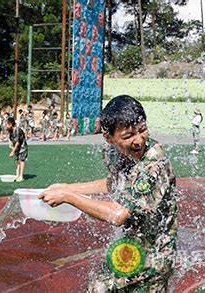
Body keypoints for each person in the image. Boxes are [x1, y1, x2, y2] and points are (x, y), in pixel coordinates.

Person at [39, 95, 177, 292]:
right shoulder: (114, 152)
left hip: (153, 254)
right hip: (131, 245)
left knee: (99, 288)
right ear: (109, 137)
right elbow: (114, 183)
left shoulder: (154, 164)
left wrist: (68, 197)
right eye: (128, 136)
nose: (138, 140)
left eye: (142, 130)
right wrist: (67, 187)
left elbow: (118, 214)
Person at [6, 117, 28, 182]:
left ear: (11, 124)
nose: (6, 125)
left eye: (7, 124)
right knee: (17, 161)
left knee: (21, 161)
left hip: (22, 147)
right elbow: (11, 140)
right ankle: (17, 175)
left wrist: (12, 151)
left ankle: (21, 176)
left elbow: (18, 142)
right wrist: (11, 147)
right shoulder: (10, 131)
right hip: (17, 148)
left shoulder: (17, 130)